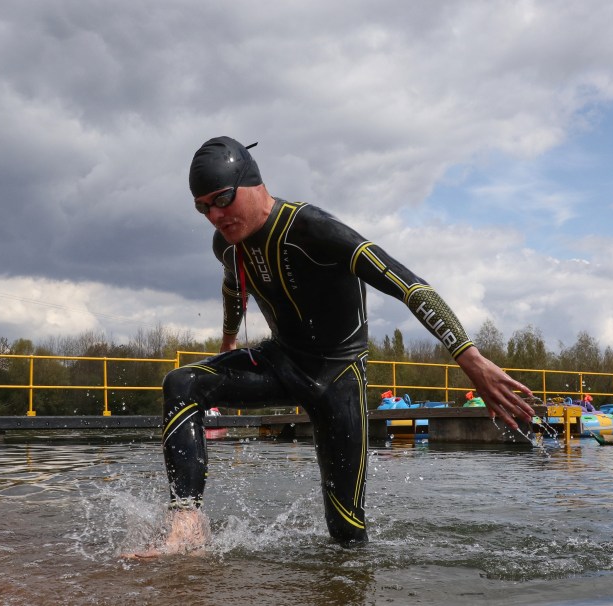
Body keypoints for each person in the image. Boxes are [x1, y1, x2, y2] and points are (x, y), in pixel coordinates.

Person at [153, 136, 537, 554]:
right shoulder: (226, 244)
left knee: (347, 536)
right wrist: (228, 343)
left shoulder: (313, 228)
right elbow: (233, 287)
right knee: (182, 382)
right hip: (281, 361)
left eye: (223, 199)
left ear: (253, 182)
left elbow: (409, 285)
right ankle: (187, 521)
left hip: (338, 378)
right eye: (203, 206)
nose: (215, 215)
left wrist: (472, 360)